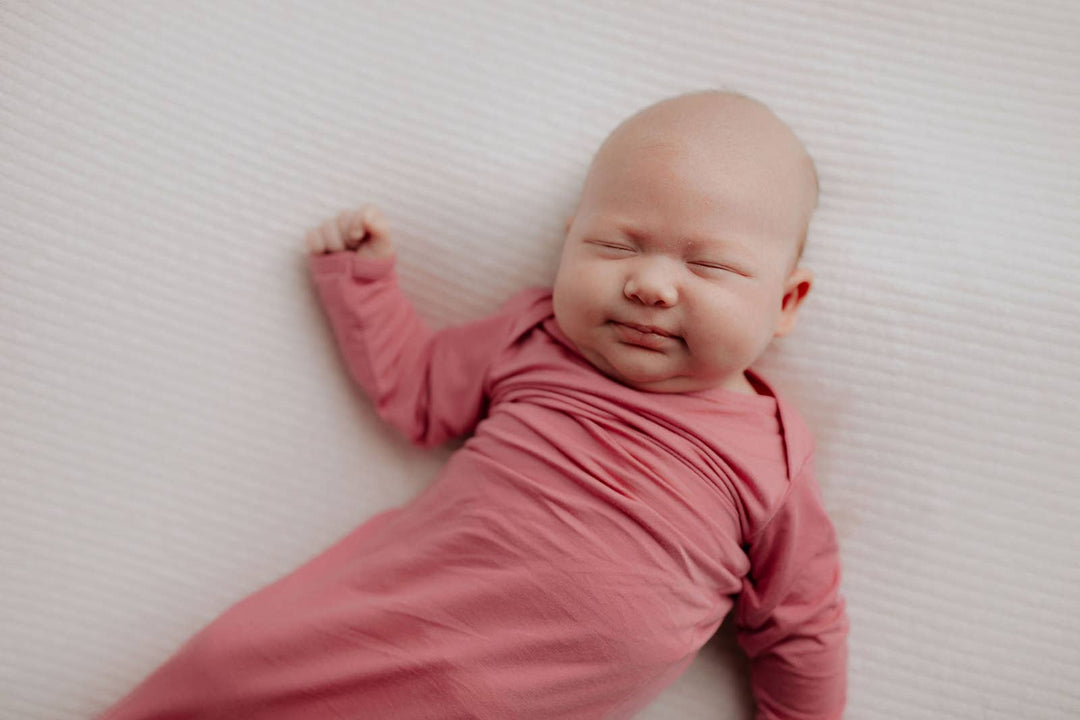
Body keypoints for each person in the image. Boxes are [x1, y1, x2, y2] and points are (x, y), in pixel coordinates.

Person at [97, 90, 847, 720]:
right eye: (615, 247)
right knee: (229, 673)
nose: (650, 285)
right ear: (567, 246)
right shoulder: (535, 340)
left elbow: (801, 629)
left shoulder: (771, 457)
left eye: (707, 264)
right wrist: (364, 283)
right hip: (376, 626)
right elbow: (416, 392)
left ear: (785, 302)